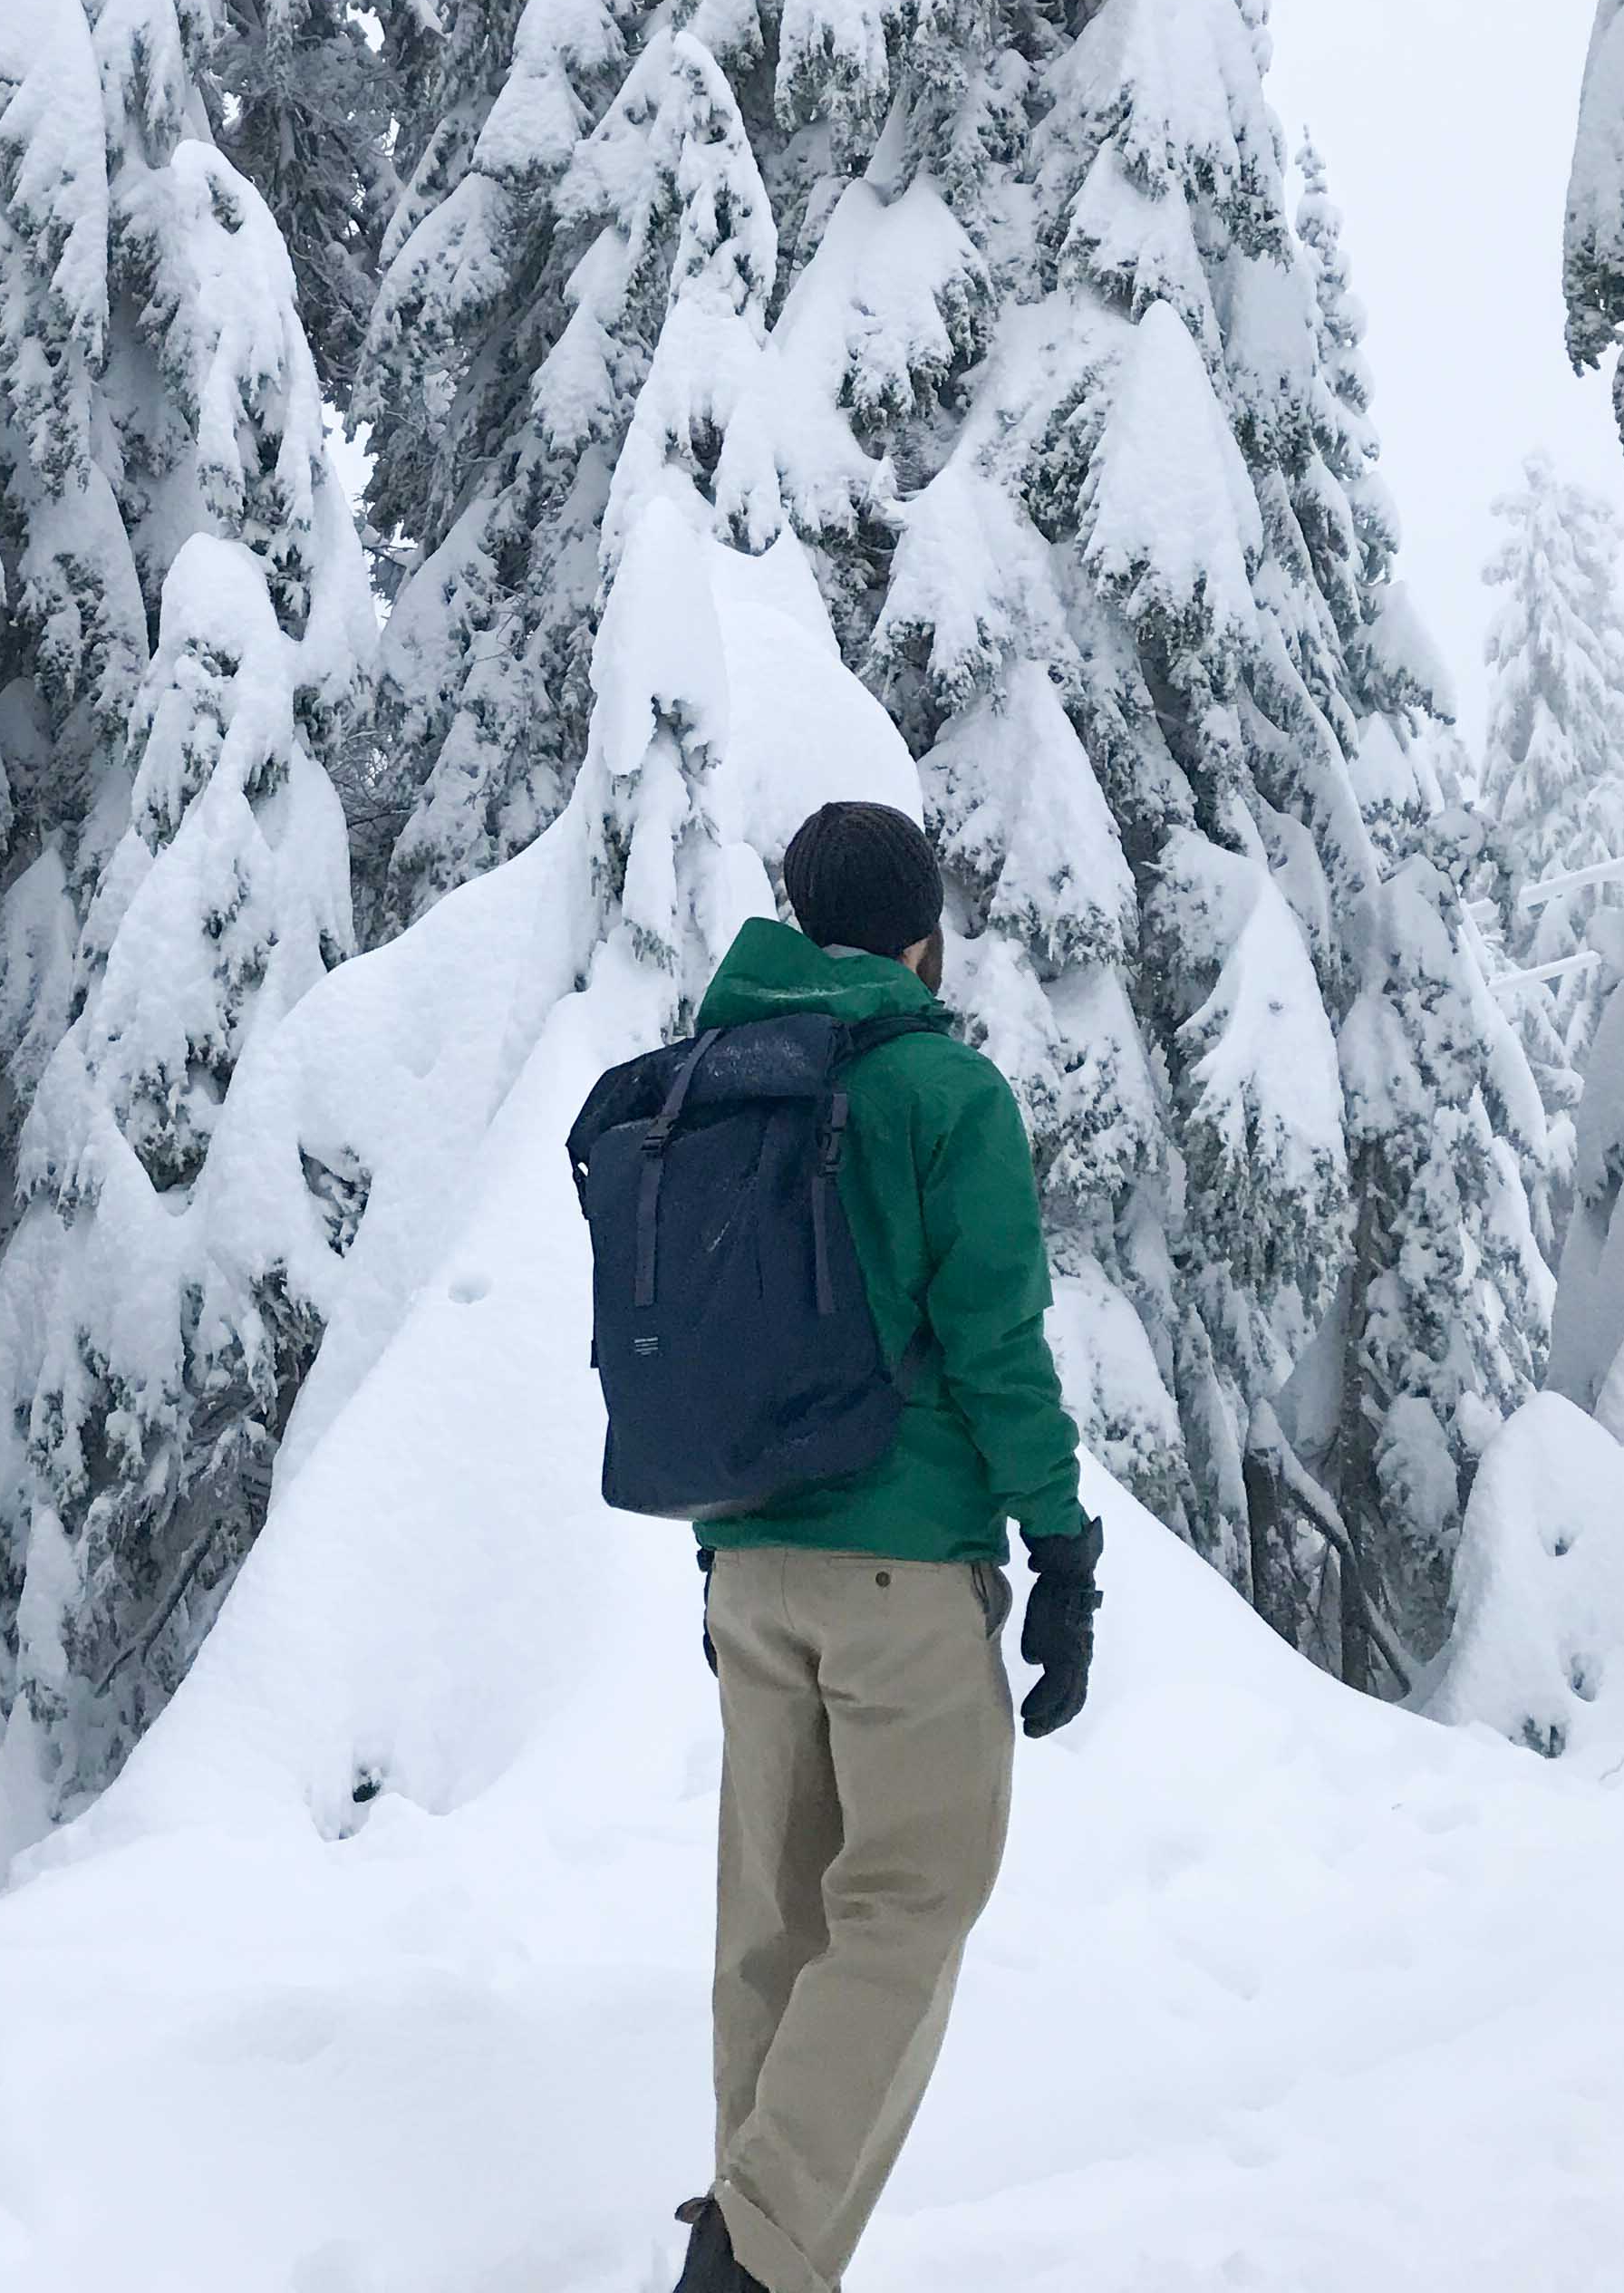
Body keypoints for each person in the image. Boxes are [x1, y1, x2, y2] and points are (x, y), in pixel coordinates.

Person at [676, 800, 1101, 2293]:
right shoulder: (941, 1091)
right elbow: (997, 1348)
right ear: (926, 940)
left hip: (745, 1568)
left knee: (772, 1929)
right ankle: (753, 2254)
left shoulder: (716, 1082)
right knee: (909, 1901)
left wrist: (728, 1547)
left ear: (798, 921)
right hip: (903, 1570)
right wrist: (1061, 1555)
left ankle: (757, 2246)